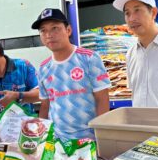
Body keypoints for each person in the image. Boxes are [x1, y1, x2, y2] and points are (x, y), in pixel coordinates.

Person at [32, 8, 111, 140]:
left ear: (68, 30)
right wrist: (42, 138)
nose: (48, 35)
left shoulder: (89, 58)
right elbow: (45, 105)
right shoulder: (43, 68)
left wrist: (101, 137)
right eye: (43, 31)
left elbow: (102, 99)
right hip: (57, 140)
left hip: (88, 139)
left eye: (55, 28)